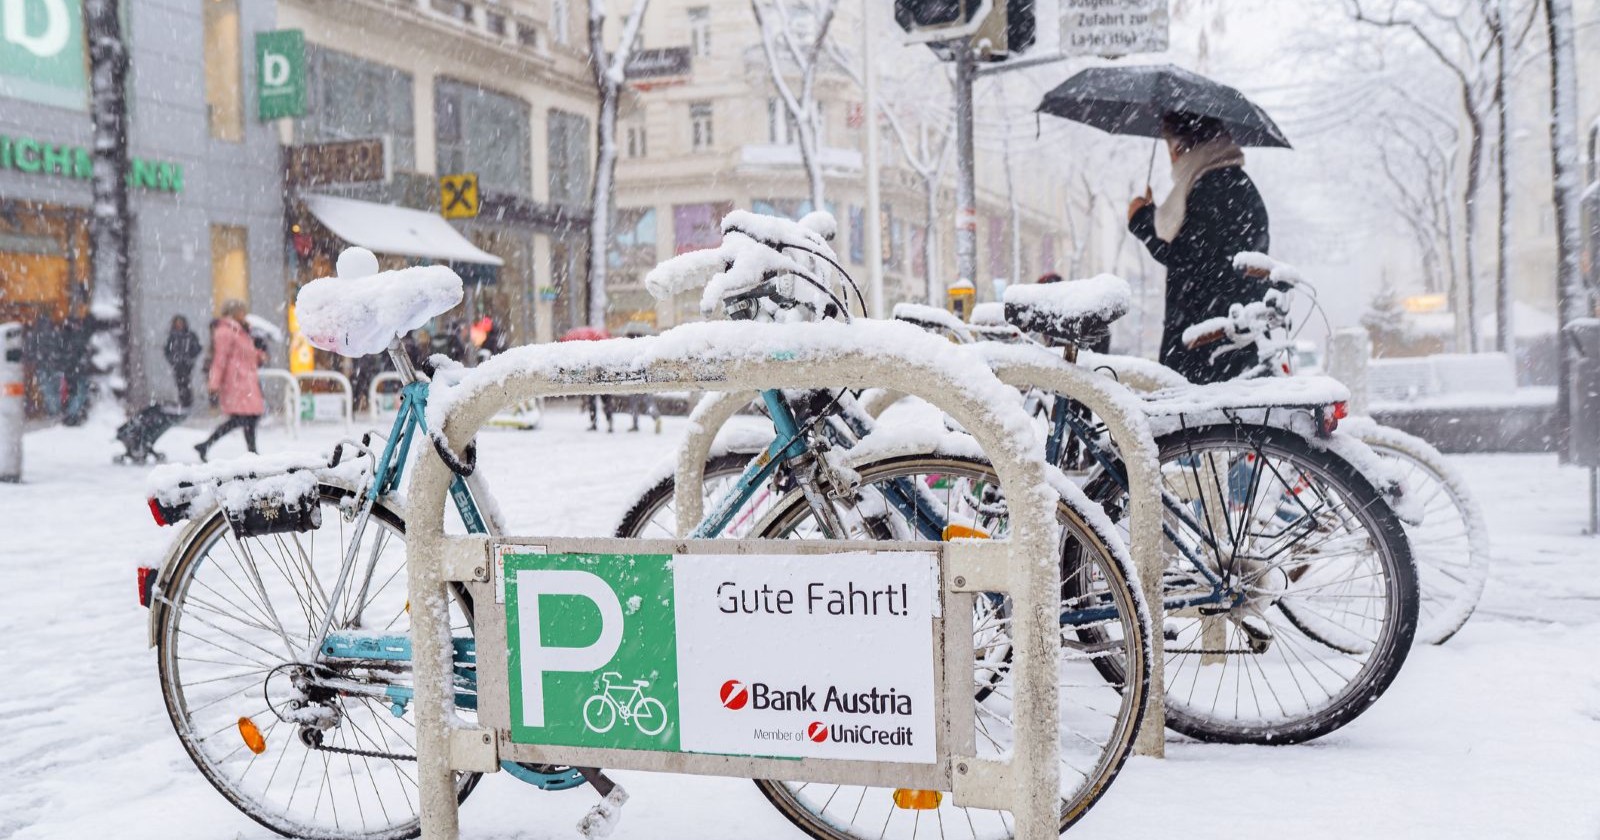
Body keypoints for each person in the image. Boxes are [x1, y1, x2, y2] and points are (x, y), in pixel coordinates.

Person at [1127, 112, 1271, 384]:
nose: (1171, 159)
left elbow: (1187, 257)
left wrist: (1141, 221)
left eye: (1170, 148)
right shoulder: (1238, 186)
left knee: (1191, 424)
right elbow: (1202, 250)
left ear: (1181, 147)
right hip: (1236, 342)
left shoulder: (1211, 189)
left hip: (1206, 347)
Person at [195, 300, 266, 461]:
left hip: (246, 380)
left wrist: (259, 355)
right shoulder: (225, 331)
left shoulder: (240, 330)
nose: (244, 315)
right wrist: (214, 384)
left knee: (248, 417)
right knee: (243, 418)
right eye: (242, 311)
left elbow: (246, 354)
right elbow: (220, 359)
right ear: (234, 312)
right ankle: (251, 452)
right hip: (236, 382)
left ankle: (208, 445)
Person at [164, 315, 202, 409]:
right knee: (180, 383)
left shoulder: (189, 335)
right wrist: (172, 359)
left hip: (187, 364)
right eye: (177, 323)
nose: (179, 325)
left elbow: (197, 347)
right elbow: (167, 350)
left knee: (186, 382)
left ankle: (187, 402)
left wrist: (190, 357)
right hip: (177, 364)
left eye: (181, 323)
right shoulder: (173, 336)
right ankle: (183, 401)